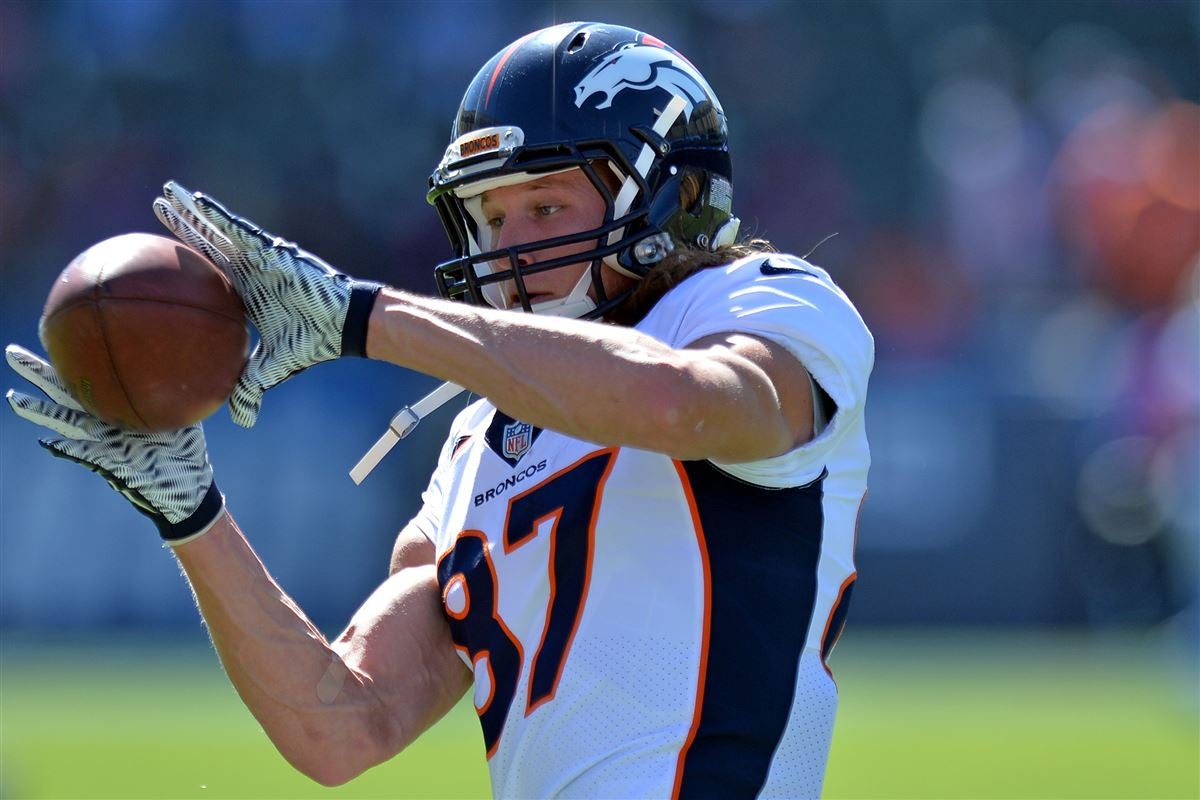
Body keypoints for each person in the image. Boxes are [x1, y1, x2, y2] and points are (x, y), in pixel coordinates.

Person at [7, 21, 872, 799]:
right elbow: (342, 727)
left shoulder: (760, 301)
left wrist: (365, 318)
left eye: (544, 205)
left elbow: (682, 405)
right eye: (490, 216)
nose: (512, 247)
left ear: (672, 197)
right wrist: (191, 512)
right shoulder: (477, 437)